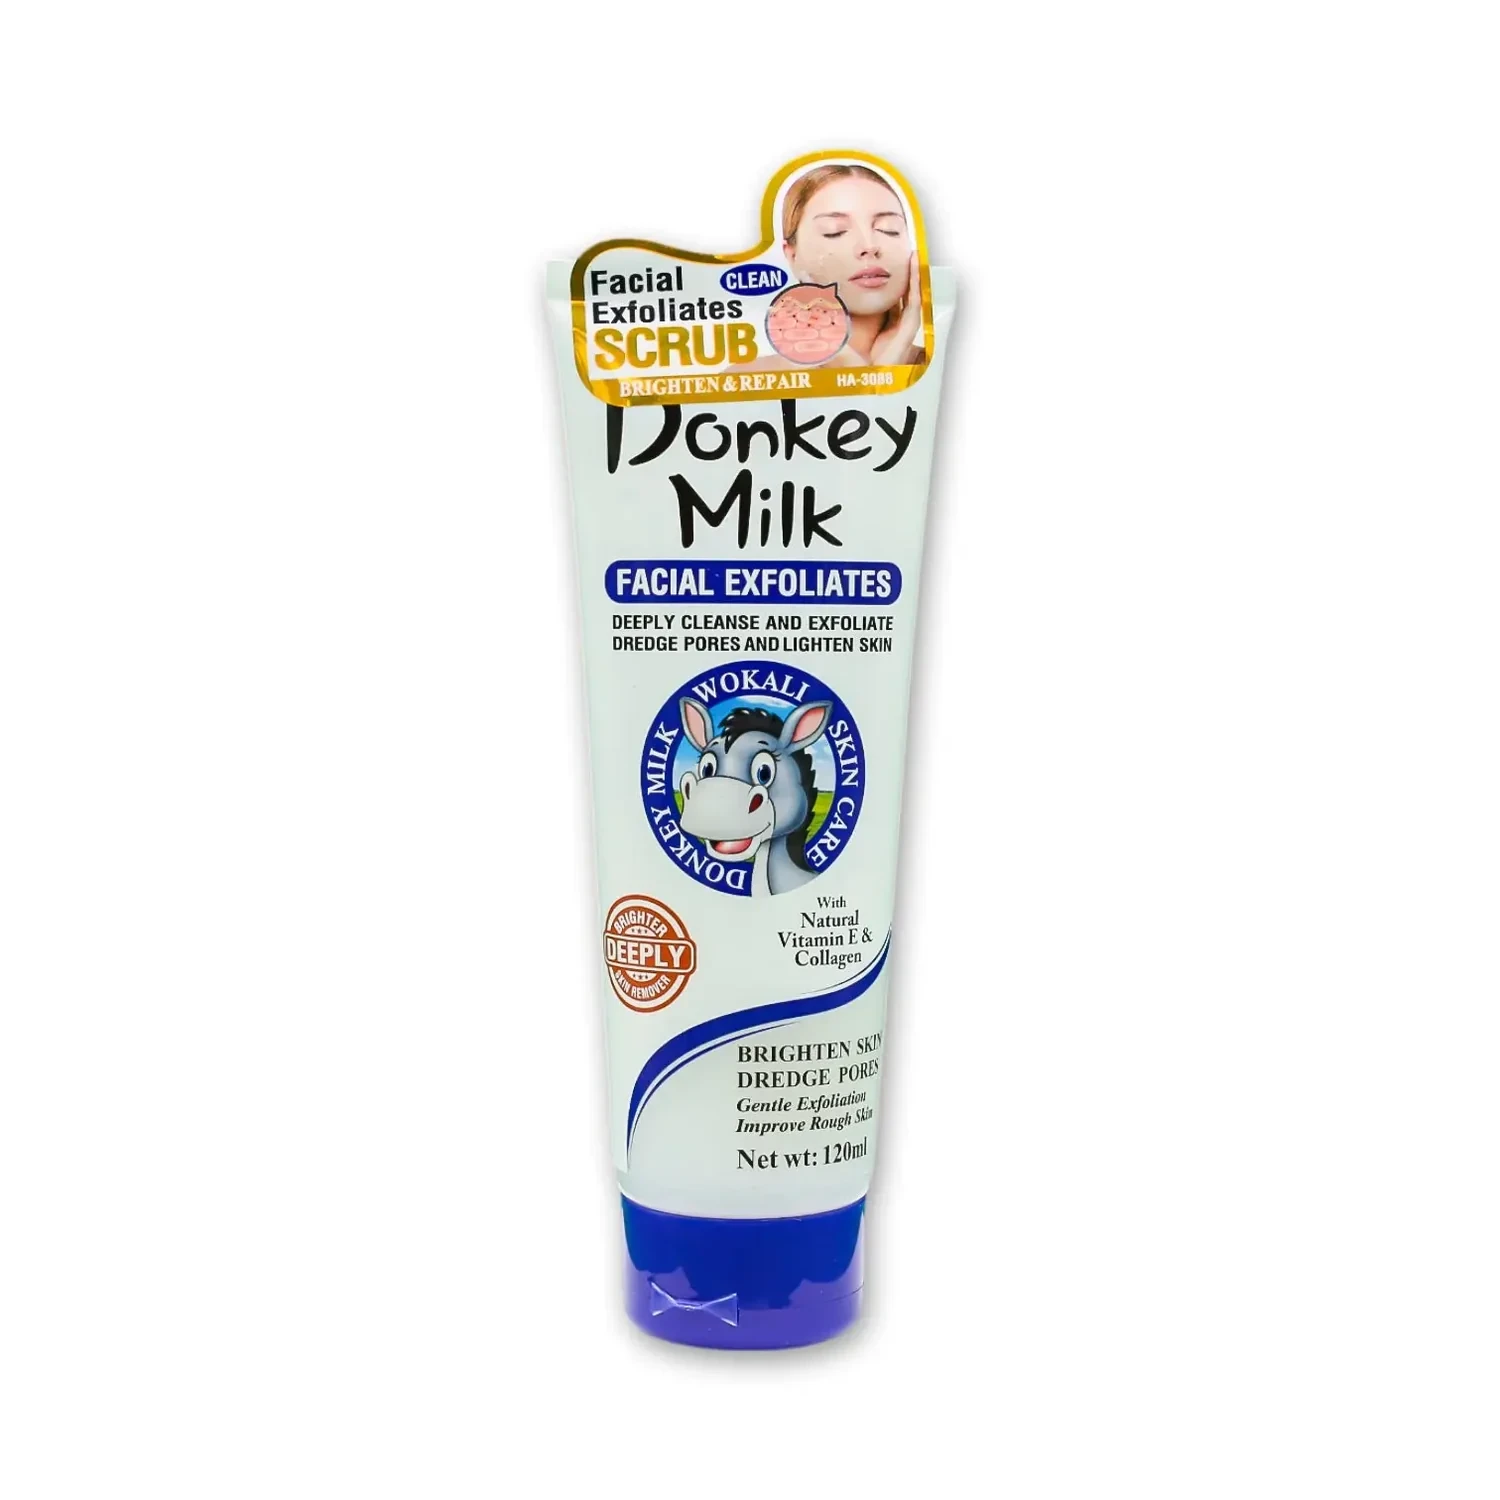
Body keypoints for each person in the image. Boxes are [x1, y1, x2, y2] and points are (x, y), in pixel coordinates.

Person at [751, 163, 924, 370]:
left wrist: (898, 349)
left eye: (889, 229)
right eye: (835, 231)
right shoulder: (748, 377)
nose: (869, 246)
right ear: (792, 255)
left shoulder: (938, 364)